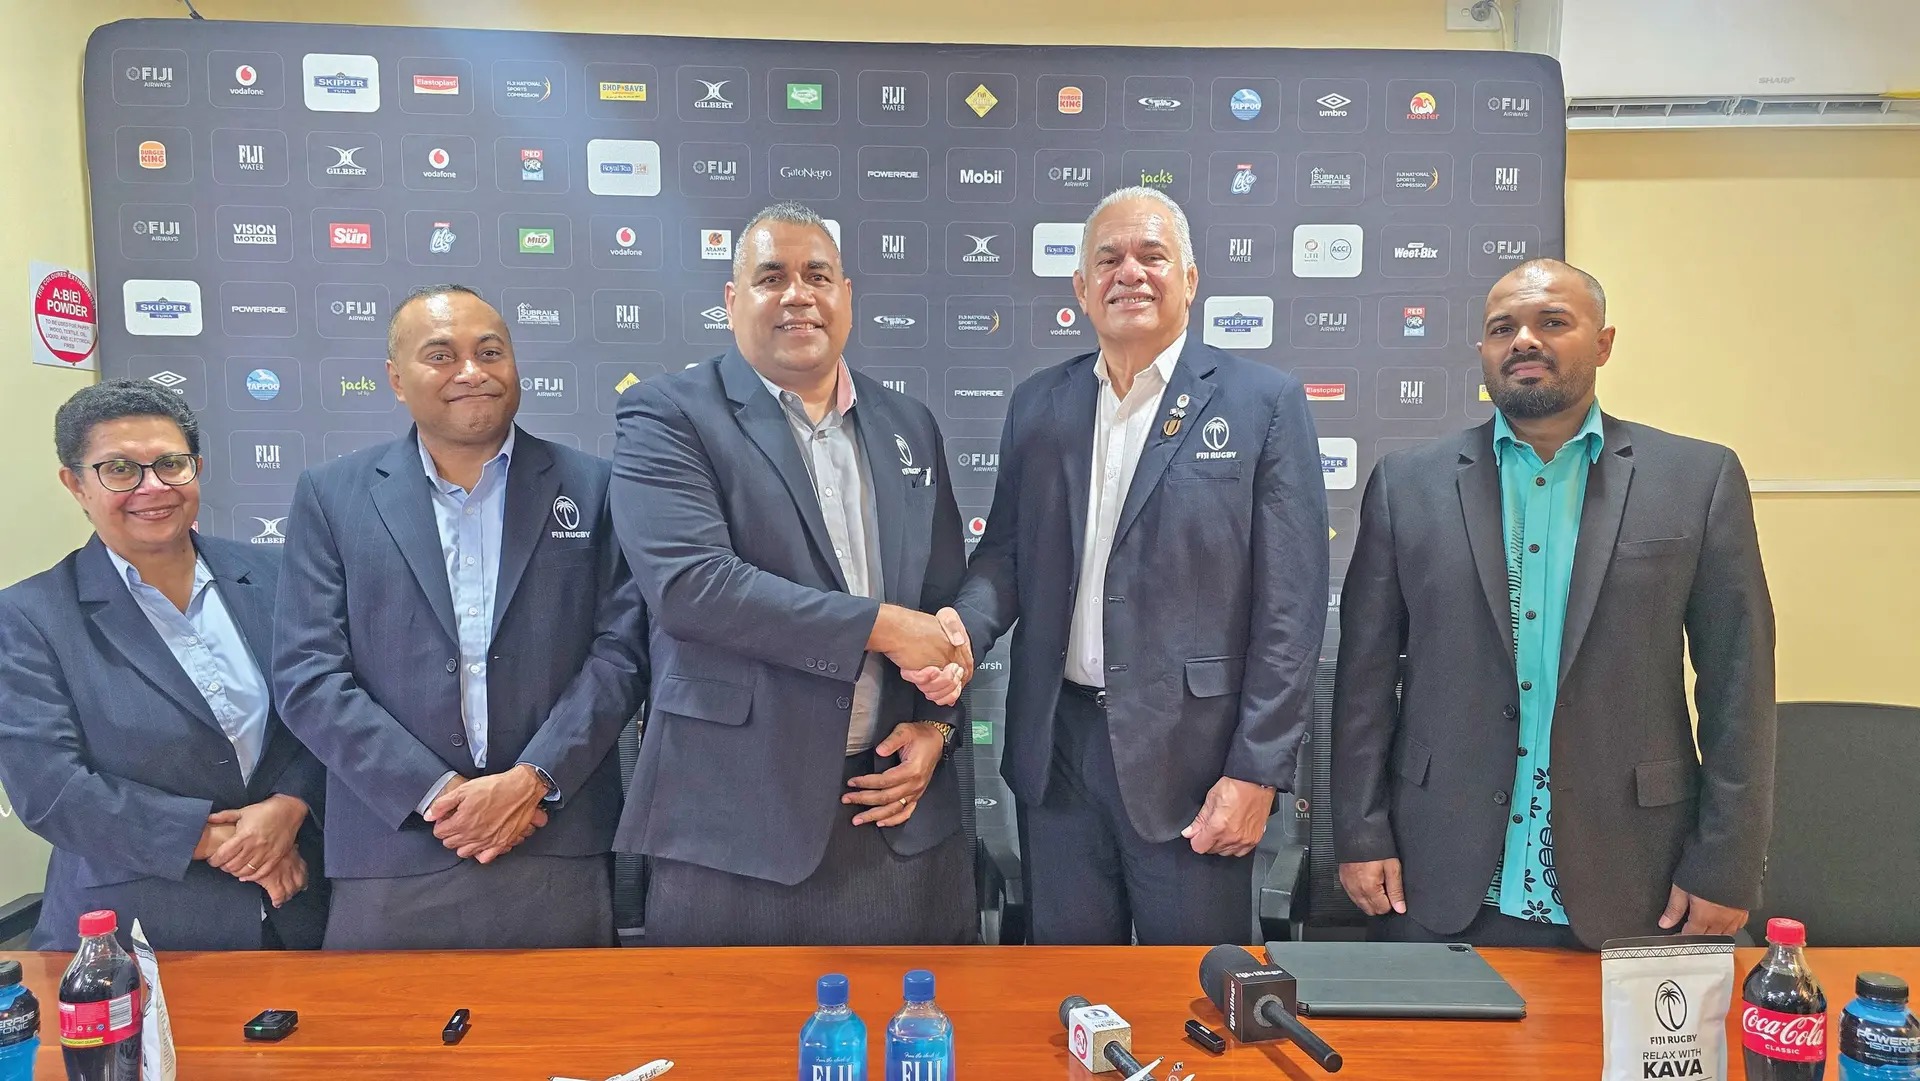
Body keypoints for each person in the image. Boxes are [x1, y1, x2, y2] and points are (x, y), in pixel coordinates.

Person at [1331, 258, 1775, 949]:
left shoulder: (1696, 479)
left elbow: (1739, 687)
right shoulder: (1406, 486)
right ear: (1482, 351)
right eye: (1502, 327)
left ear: (1603, 343)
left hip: (1638, 878)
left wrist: (1727, 863)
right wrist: (1359, 832)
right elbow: (1362, 681)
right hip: (1437, 874)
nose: (1524, 340)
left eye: (1552, 321)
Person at [935, 187, 1329, 945]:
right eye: (1108, 259)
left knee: (1195, 1002)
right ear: (1081, 288)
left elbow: (1292, 609)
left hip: (1195, 761)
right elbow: (1008, 554)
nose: (1130, 272)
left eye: (1152, 256)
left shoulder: (1262, 404)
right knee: (1074, 1000)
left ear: (1190, 278)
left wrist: (1255, 771)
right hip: (1059, 754)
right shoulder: (1038, 404)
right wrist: (959, 628)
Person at [609, 203, 975, 946]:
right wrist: (881, 626)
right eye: (771, 276)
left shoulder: (909, 424)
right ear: (732, 300)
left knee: (909, 1050)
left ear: (846, 295)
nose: (797, 294)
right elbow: (693, 589)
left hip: (896, 817)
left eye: (817, 275)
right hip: (736, 825)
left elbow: (945, 604)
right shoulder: (667, 416)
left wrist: (938, 722)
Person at [273, 285, 649, 949]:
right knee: (387, 1051)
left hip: (552, 841)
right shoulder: (333, 497)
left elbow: (620, 654)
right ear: (395, 378)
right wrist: (437, 792)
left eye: (490, 351)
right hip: (391, 851)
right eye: (441, 355)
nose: (471, 371)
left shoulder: (595, 488)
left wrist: (534, 780)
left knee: (565, 1045)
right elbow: (308, 674)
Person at [0, 381, 327, 950]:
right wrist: (221, 841)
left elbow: (331, 709)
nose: (153, 487)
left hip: (302, 910)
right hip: (137, 935)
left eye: (171, 464)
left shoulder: (279, 577)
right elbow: (51, 789)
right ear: (74, 483)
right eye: (119, 469)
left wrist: (291, 805)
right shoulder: (29, 617)